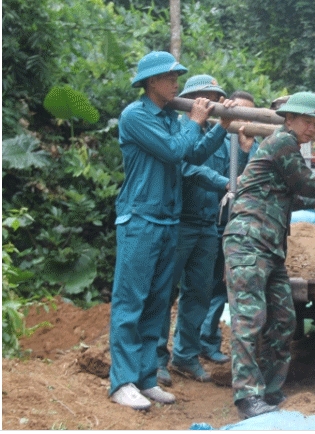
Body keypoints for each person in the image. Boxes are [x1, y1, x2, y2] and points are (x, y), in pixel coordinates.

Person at [109, 52, 236, 410]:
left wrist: (221, 127)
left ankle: (147, 377)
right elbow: (172, 150)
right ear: (151, 82)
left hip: (167, 219)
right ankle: (122, 380)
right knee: (130, 302)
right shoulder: (136, 116)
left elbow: (191, 155)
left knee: (156, 304)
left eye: (177, 76)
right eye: (170, 77)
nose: (177, 83)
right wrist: (195, 119)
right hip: (140, 219)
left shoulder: (167, 116)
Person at [223, 92, 315, 420]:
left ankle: (270, 391)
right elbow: (303, 182)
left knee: (283, 319)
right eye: (308, 121)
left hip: (271, 247)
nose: (312, 129)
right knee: (250, 319)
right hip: (249, 241)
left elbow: (285, 192)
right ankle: (247, 396)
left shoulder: (281, 150)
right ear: (289, 118)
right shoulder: (282, 142)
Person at [155, 76, 245, 386]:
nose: (211, 103)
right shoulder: (181, 128)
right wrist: (223, 183)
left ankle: (186, 356)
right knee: (166, 291)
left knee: (199, 293)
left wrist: (226, 125)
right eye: (205, 97)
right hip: (182, 221)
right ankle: (155, 359)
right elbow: (187, 167)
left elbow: (230, 169)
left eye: (215, 97)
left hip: (209, 224)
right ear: (192, 99)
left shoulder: (219, 135)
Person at [198, 90, 259, 367]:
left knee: (228, 288)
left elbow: (249, 180)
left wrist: (246, 150)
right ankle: (202, 341)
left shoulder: (253, 143)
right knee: (209, 286)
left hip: (241, 227)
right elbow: (223, 179)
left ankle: (211, 341)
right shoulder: (217, 138)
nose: (241, 120)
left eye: (248, 114)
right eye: (238, 112)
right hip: (216, 221)